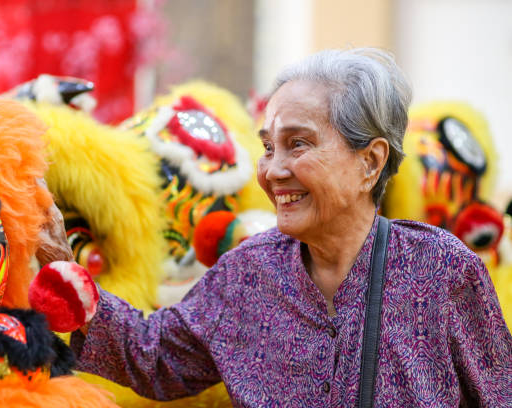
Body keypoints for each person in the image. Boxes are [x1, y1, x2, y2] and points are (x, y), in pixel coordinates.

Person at [71, 48, 512, 407]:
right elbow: (158, 357)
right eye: (267, 147)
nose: (273, 171)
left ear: (370, 163)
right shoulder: (249, 273)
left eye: (297, 144)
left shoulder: (441, 270)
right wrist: (63, 266)